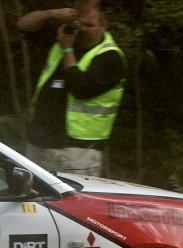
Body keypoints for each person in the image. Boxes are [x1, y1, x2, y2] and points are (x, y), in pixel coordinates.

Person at [17, 1, 126, 176]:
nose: (82, 29)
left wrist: (67, 50)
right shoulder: (62, 39)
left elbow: (80, 89)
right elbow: (24, 25)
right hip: (38, 142)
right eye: (79, 23)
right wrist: (51, 13)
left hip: (75, 151)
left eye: (89, 25)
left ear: (103, 26)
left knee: (72, 203)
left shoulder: (110, 57)